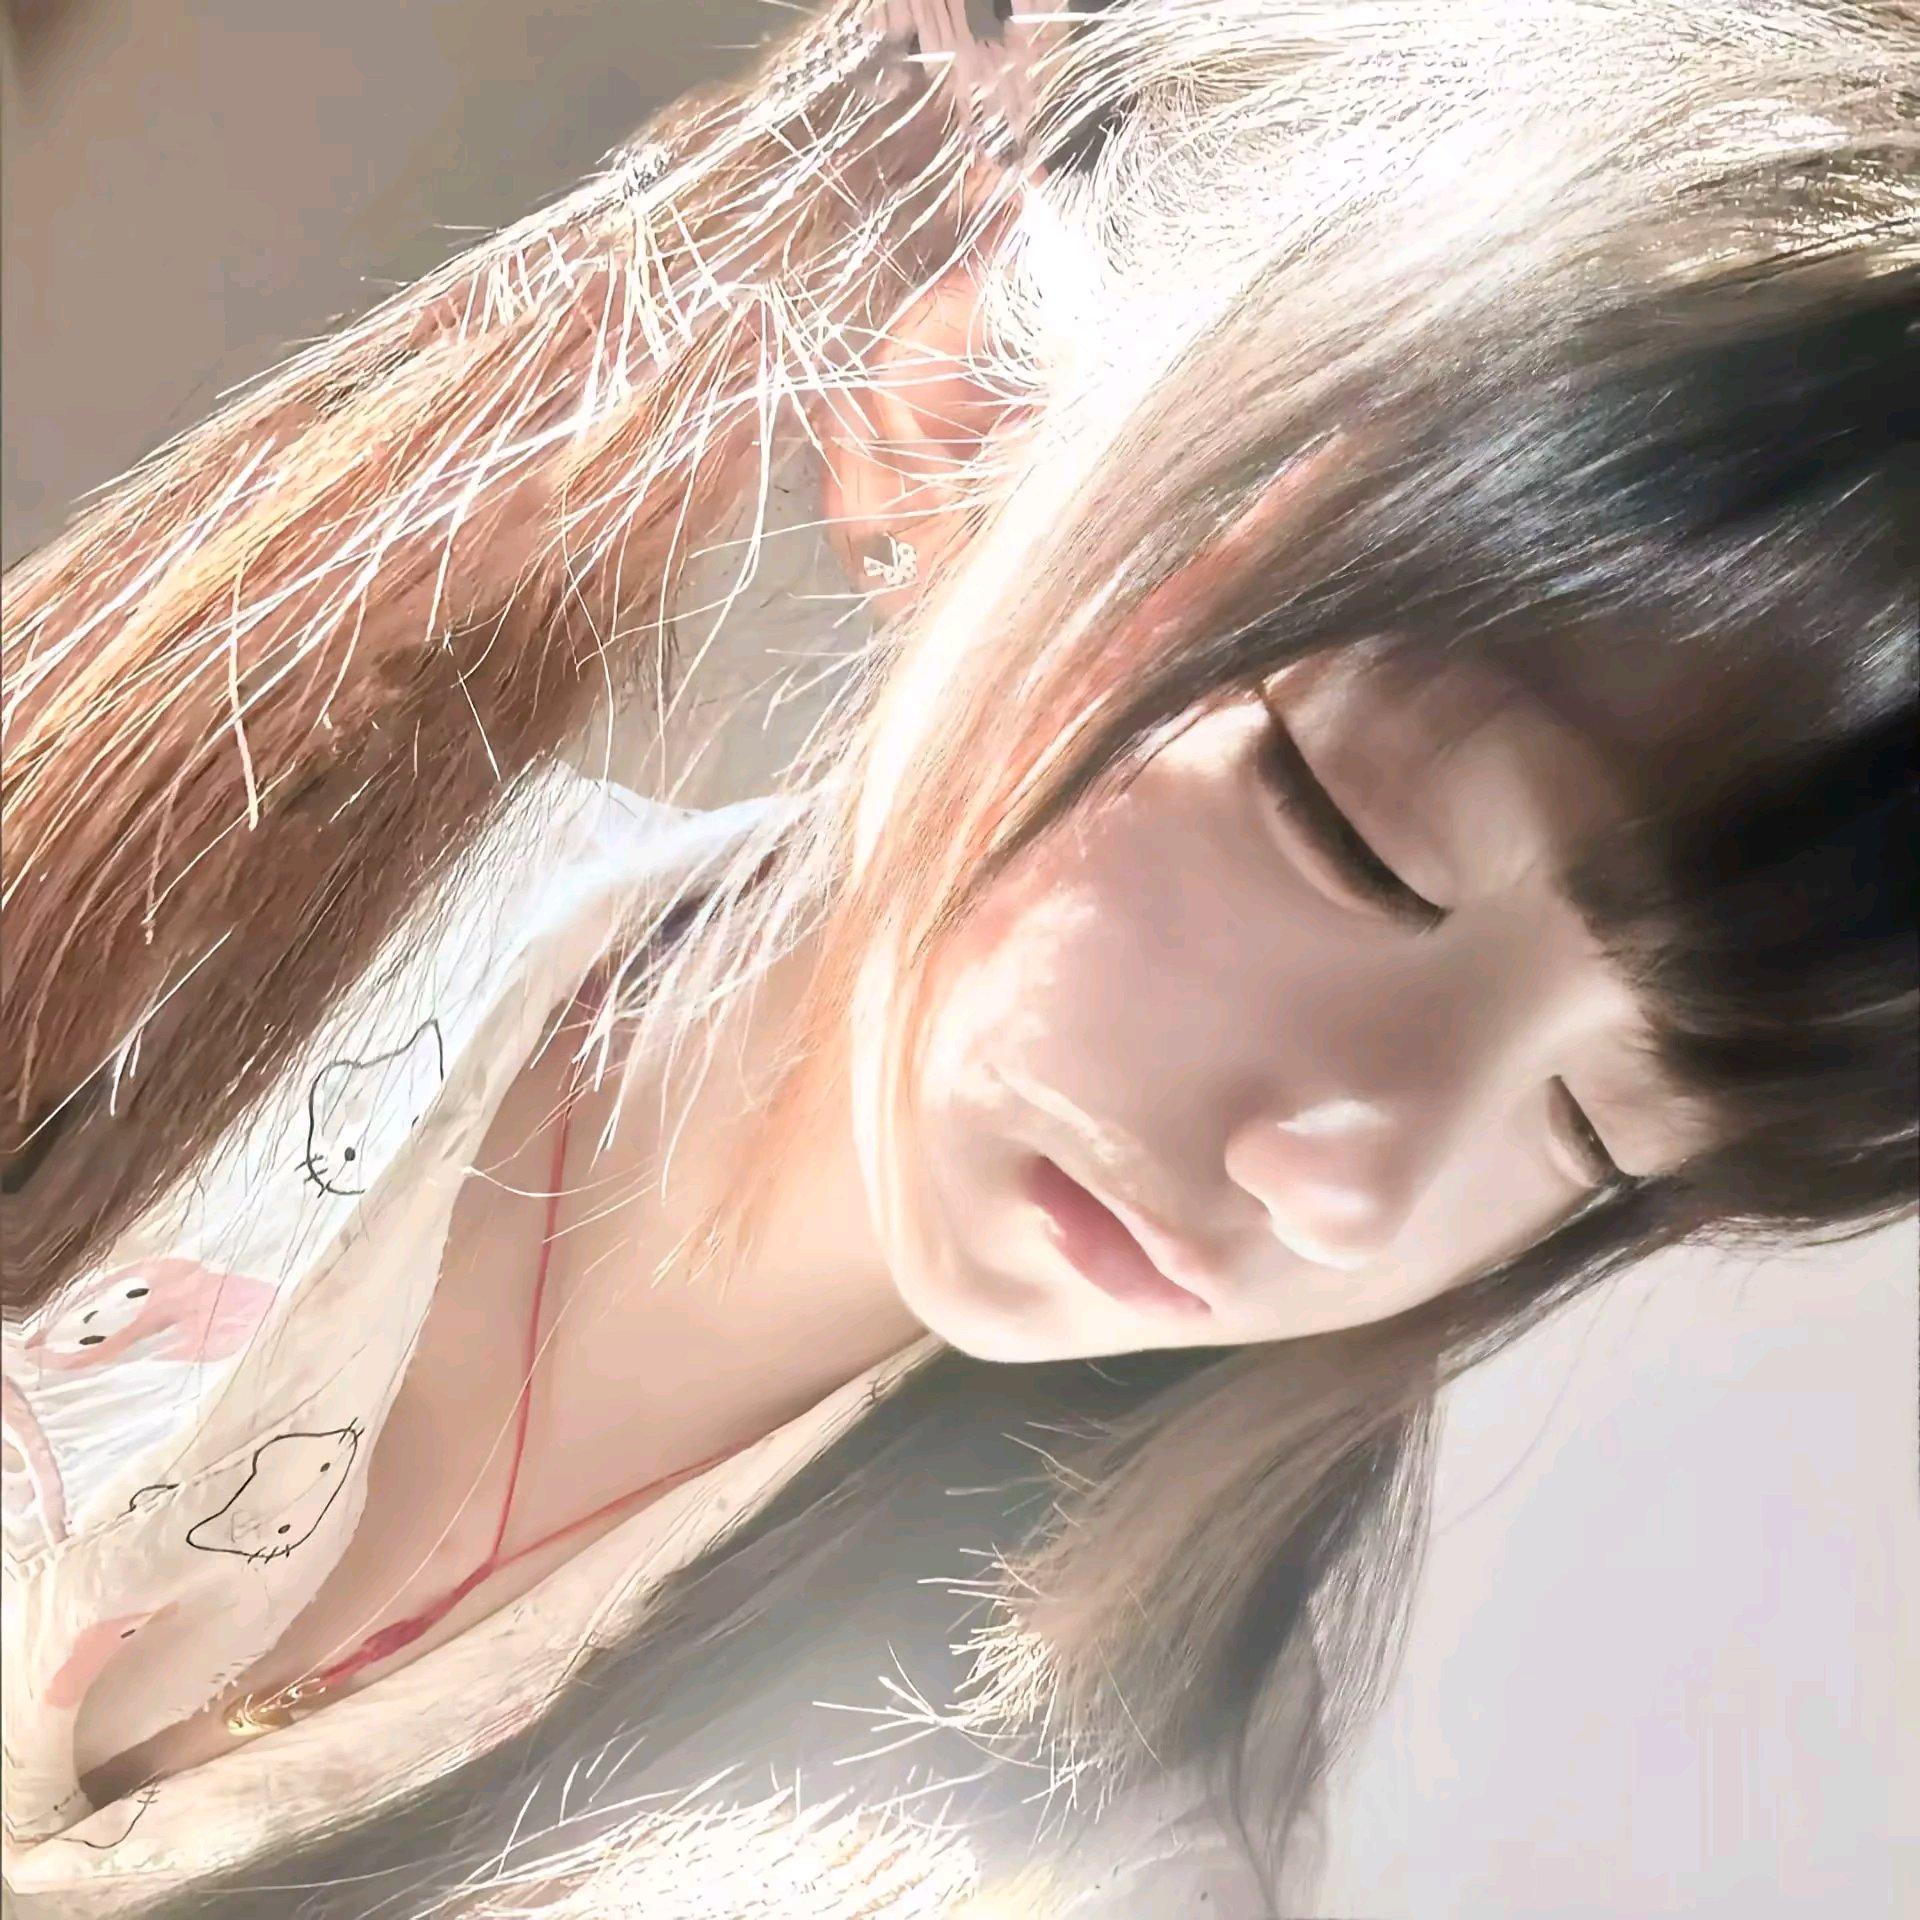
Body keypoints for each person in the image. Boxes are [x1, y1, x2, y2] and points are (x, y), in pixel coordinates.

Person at [2, 1, 1913, 1914]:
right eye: (1361, 838)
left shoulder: (1065, 1866)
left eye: (1599, 1130)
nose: (1353, 1188)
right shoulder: (186, 891)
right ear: (972, 418)